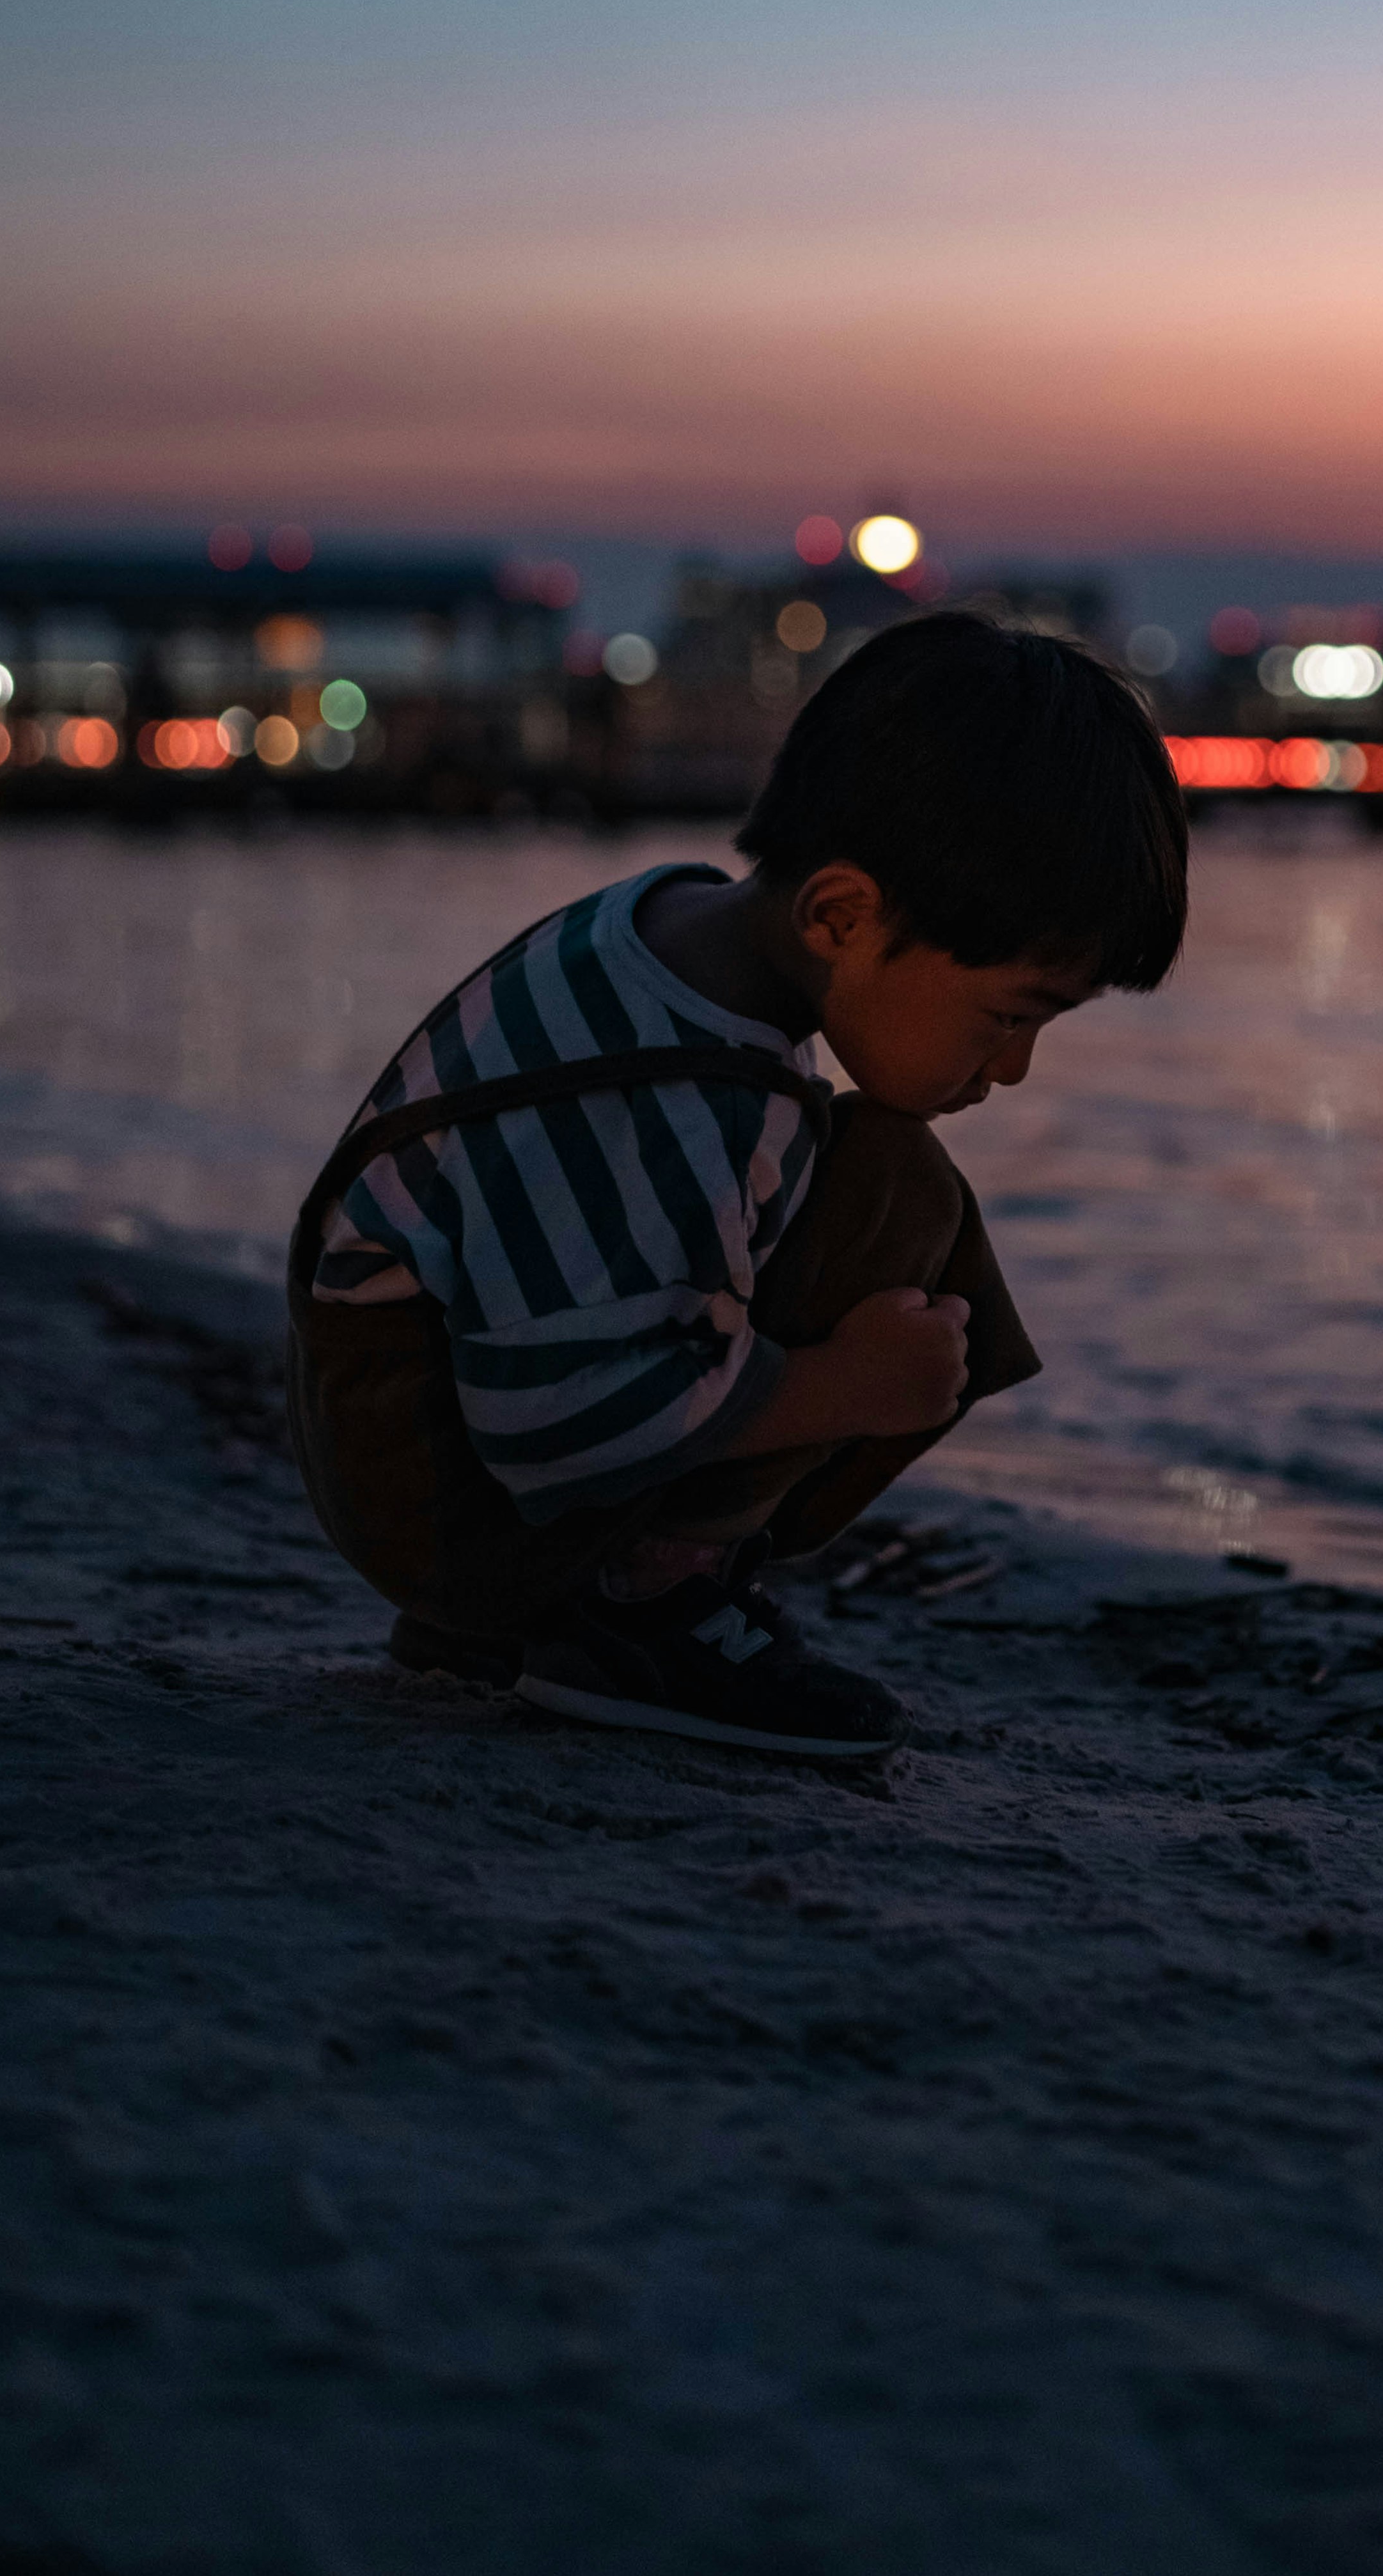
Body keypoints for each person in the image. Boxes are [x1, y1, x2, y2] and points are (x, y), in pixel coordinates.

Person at [286, 612, 1188, 1760]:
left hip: (434, 1450)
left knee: (872, 1166)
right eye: (1009, 1015)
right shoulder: (680, 1093)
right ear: (843, 915)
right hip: (452, 1496)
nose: (1010, 1068)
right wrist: (843, 1388)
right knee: (896, 1190)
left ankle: (555, 1611)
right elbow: (556, 1423)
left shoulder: (669, 936)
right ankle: (638, 1615)